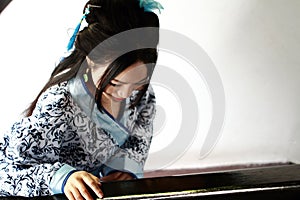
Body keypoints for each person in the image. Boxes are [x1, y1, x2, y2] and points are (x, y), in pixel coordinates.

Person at [0, 0, 162, 199]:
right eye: (115, 83)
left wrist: (123, 169)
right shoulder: (60, 104)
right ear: (91, 60)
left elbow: (139, 138)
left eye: (137, 83)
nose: (126, 94)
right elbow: (5, 169)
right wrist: (61, 177)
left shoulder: (142, 93)